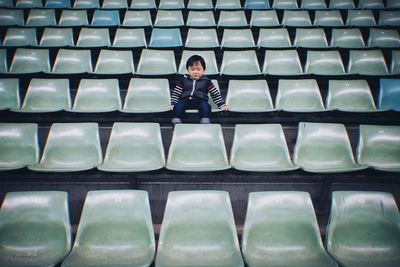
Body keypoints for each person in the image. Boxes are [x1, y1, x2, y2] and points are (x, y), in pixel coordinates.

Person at [169, 55, 228, 124]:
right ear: (188, 70)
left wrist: (222, 104)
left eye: (198, 69)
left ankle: (205, 120)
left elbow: (215, 94)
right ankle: (176, 120)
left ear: (203, 70)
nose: (195, 72)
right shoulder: (183, 80)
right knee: (178, 105)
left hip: (200, 100)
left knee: (205, 106)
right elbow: (176, 93)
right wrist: (173, 104)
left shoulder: (206, 81)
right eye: (192, 69)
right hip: (185, 100)